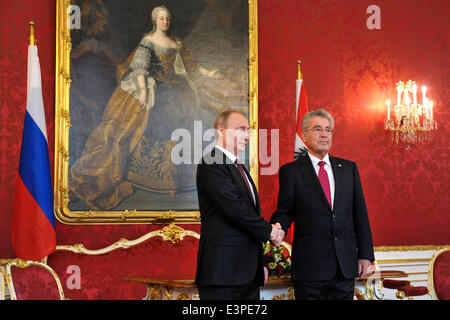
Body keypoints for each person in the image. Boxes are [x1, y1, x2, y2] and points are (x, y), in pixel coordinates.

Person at [69, 6, 221, 210]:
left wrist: (210, 74)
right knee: (149, 122)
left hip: (176, 90)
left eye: (167, 18)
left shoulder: (175, 42)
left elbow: (190, 65)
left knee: (189, 119)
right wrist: (143, 90)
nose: (165, 21)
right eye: (161, 18)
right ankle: (148, 173)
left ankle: (177, 175)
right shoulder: (148, 42)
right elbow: (139, 67)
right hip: (154, 89)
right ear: (154, 21)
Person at [270, 109, 374, 300]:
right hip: (310, 268)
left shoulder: (348, 168)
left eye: (328, 130)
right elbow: (285, 212)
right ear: (305, 135)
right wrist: (278, 228)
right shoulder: (291, 172)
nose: (324, 134)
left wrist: (366, 255)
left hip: (344, 267)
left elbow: (360, 214)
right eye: (318, 129)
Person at [195, 110, 284, 300]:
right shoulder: (211, 162)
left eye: (248, 130)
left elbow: (247, 214)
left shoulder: (239, 166)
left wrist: (259, 265)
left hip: (247, 274)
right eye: (241, 130)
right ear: (221, 130)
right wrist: (269, 230)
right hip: (223, 272)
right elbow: (234, 208)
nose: (247, 136)